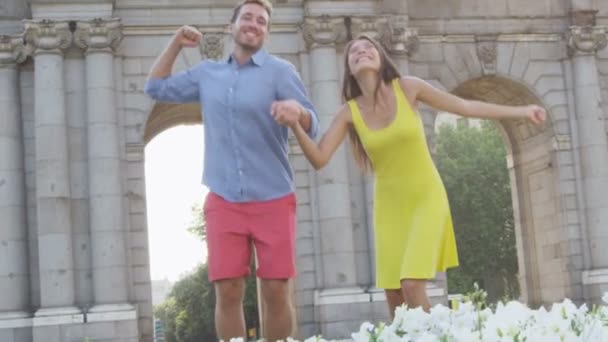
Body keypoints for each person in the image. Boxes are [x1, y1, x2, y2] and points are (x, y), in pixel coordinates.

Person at [275, 34, 546, 317]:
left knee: (412, 283)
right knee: (394, 296)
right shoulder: (350, 112)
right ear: (349, 70)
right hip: (389, 208)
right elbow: (319, 158)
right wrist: (295, 125)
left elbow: (464, 106)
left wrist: (522, 110)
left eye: (368, 47)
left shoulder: (408, 88)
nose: (361, 51)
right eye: (353, 51)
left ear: (381, 58)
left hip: (425, 196)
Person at [144, 0, 319, 340]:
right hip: (223, 199)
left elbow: (313, 124)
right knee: (227, 291)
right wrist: (176, 42)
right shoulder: (208, 73)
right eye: (247, 18)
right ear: (232, 26)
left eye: (262, 21)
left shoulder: (281, 72)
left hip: (273, 197)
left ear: (266, 32)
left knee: (275, 290)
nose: (254, 24)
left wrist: (296, 110)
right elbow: (155, 87)